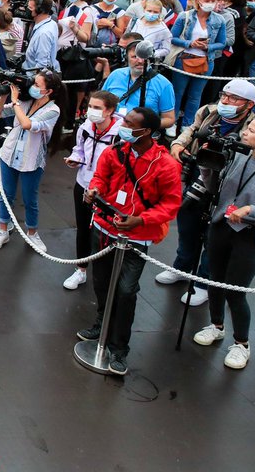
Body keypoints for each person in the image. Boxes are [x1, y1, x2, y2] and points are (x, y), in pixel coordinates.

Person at [79, 107, 182, 375]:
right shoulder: (116, 151)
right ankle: (101, 323)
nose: (122, 125)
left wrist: (142, 220)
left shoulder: (166, 164)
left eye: (128, 123)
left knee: (126, 291)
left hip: (136, 238)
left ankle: (119, 348)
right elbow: (101, 176)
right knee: (101, 282)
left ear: (146, 131)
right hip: (104, 228)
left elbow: (171, 205)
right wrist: (95, 189)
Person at [159, 78, 255, 307]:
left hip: (228, 185)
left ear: (248, 105)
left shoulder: (253, 127)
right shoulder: (208, 112)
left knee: (214, 235)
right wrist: (177, 144)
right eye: (225, 95)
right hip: (197, 172)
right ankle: (182, 267)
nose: (226, 101)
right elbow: (192, 131)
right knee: (187, 222)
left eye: (234, 98)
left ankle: (204, 282)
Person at [193, 115, 255, 370]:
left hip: (251, 237)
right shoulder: (238, 157)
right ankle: (216, 325)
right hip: (221, 227)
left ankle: (242, 343)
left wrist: (251, 210)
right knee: (215, 282)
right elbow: (213, 189)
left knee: (236, 291)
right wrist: (207, 166)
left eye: (251, 130)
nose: (244, 133)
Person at [0, 71, 66, 251]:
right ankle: (2, 230)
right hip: (9, 154)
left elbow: (27, 125)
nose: (33, 87)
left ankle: (32, 233)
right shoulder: (25, 100)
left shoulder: (53, 110)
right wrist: (3, 95)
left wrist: (15, 100)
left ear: (49, 91)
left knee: (29, 199)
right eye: (33, 83)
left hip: (31, 160)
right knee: (5, 195)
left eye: (38, 85)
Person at [62, 90, 123, 290]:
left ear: (110, 111)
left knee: (105, 232)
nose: (91, 111)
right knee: (83, 229)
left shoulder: (121, 135)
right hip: (83, 183)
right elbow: (79, 149)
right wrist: (75, 159)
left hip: (107, 192)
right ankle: (81, 269)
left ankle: (106, 273)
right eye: (90, 106)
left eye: (97, 108)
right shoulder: (85, 127)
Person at [169, 0, 228, 127]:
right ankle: (172, 121)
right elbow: (172, 37)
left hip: (206, 61)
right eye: (207, 1)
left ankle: (189, 124)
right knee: (178, 93)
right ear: (199, 1)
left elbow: (222, 42)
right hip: (184, 58)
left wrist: (208, 47)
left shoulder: (219, 20)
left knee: (195, 95)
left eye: (213, 1)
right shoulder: (185, 16)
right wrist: (190, 43)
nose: (210, 4)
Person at [103, 38, 177, 129]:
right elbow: (102, 102)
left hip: (140, 134)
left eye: (144, 57)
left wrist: (145, 126)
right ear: (126, 58)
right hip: (111, 129)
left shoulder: (164, 84)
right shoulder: (115, 75)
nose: (140, 61)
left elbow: (169, 119)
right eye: (134, 57)